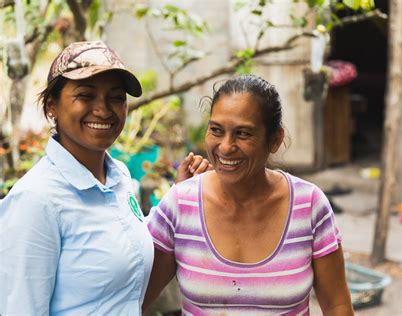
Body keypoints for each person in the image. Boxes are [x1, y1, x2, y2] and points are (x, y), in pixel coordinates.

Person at [0, 41, 210, 315]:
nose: (103, 109)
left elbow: (128, 280)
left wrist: (179, 195)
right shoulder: (36, 201)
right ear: (52, 106)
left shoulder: (118, 176)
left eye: (115, 97)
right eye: (86, 96)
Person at [145, 75, 354, 315]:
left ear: (275, 140)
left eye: (243, 134)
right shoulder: (180, 204)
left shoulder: (309, 205)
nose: (225, 146)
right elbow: (135, 297)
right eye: (216, 130)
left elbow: (338, 305)